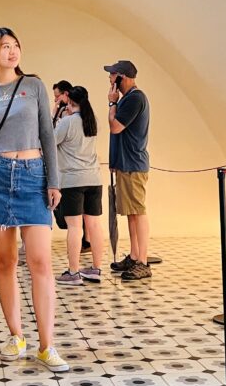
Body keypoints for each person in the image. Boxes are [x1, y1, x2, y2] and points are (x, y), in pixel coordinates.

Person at [0, 28, 68, 372]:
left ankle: (47, 345)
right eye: (4, 47)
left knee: (40, 261)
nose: (12, 52)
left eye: (15, 46)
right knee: (5, 262)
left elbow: (46, 134)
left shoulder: (35, 87)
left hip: (33, 174)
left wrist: (53, 182)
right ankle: (16, 336)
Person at [105, 60, 152, 281]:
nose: (109, 79)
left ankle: (142, 261)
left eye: (112, 75)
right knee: (131, 214)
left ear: (122, 77)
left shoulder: (134, 98)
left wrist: (111, 103)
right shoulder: (128, 99)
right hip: (125, 164)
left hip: (133, 165)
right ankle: (134, 256)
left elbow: (115, 127)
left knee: (137, 213)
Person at [53, 86, 105, 286]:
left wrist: (58, 115)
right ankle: (96, 268)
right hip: (94, 179)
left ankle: (73, 272)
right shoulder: (93, 121)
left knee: (75, 227)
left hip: (72, 181)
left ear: (69, 101)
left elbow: (50, 141)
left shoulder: (67, 122)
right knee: (94, 225)